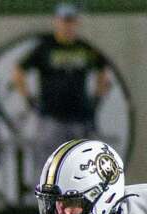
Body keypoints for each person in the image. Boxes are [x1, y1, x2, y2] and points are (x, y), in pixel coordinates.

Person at [13, 3, 110, 182]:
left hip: (80, 117)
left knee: (81, 166)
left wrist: (96, 99)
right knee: (48, 167)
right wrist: (28, 99)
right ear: (57, 22)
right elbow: (19, 70)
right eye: (65, 21)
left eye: (71, 21)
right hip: (52, 117)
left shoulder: (84, 48)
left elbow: (103, 71)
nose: (68, 26)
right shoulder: (45, 47)